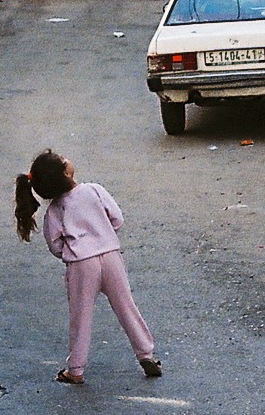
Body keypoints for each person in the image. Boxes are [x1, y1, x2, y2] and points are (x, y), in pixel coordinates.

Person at [14, 150, 163, 385]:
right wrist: (103, 237)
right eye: (63, 160)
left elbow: (54, 243)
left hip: (81, 264)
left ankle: (75, 369)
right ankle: (146, 353)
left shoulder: (54, 210)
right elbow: (117, 219)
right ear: (65, 171)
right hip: (110, 255)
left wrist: (72, 253)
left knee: (80, 316)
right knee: (126, 307)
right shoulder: (94, 190)